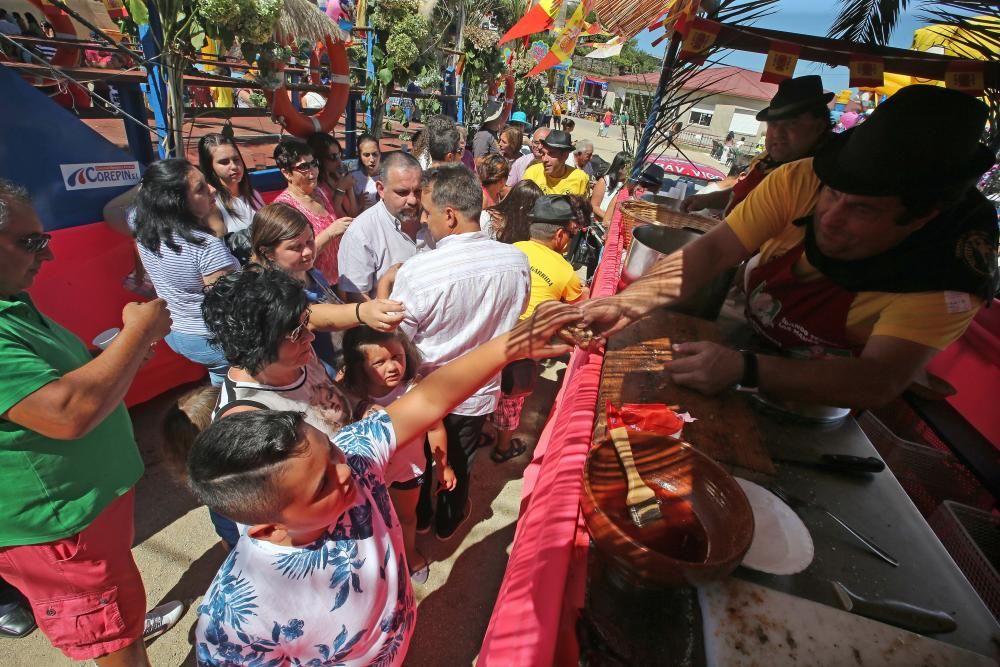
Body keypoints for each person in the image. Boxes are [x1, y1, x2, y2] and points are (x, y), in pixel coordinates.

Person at [187, 298, 580, 665]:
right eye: (323, 484)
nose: (347, 471)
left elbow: (428, 400)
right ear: (270, 527)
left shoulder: (352, 460)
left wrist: (514, 344)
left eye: (333, 451)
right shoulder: (234, 622)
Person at [581, 85, 999, 410]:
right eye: (832, 194)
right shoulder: (800, 178)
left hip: (820, 399)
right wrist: (627, 304)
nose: (832, 217)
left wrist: (745, 368)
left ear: (923, 216)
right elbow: (714, 250)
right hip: (748, 332)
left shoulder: (948, 278)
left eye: (862, 211)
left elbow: (878, 378)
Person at [0, 180, 184, 665]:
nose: (47, 255)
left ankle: (129, 631)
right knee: (110, 641)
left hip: (86, 513)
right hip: (57, 530)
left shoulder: (12, 300)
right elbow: (66, 412)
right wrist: (137, 332)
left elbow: (60, 379)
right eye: (31, 241)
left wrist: (114, 358)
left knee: (118, 613)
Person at [196, 266, 403, 547]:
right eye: (296, 332)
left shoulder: (295, 354)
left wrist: (360, 405)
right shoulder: (246, 416)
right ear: (258, 345)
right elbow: (273, 528)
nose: (310, 336)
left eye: (304, 323)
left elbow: (324, 395)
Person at [390, 164, 531, 540]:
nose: (423, 219)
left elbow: (398, 341)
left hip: (427, 395)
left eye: (427, 212)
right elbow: (516, 314)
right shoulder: (516, 262)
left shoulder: (419, 271)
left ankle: (420, 516)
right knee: (461, 460)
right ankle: (448, 519)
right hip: (478, 394)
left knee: (419, 462)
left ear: (449, 215)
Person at [342, 327, 454, 582]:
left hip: (408, 470)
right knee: (374, 520)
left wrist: (444, 466)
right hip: (369, 475)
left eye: (398, 357)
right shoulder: (347, 394)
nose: (393, 366)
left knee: (406, 516)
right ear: (359, 366)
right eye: (379, 362)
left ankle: (409, 553)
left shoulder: (415, 390)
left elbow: (435, 427)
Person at [490, 195, 589, 462]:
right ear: (559, 234)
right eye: (569, 233)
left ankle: (479, 433)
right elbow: (580, 309)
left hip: (490, 338)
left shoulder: (510, 248)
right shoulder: (565, 271)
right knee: (510, 400)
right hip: (523, 348)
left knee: (483, 388)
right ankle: (502, 449)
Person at [124, 159, 239, 385]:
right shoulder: (205, 247)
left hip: (173, 332)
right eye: (200, 189)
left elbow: (112, 210)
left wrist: (149, 183)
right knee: (232, 389)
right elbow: (226, 308)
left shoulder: (139, 221)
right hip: (209, 339)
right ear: (175, 202)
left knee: (220, 385)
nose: (213, 189)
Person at [683, 75, 834, 215]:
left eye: (791, 123)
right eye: (773, 124)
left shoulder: (821, 175)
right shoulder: (766, 159)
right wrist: (705, 200)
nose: (777, 133)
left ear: (819, 127)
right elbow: (739, 193)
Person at [337, 151, 434, 301]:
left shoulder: (436, 219)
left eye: (418, 191)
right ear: (381, 190)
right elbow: (358, 300)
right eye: (402, 192)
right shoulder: (360, 234)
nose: (413, 200)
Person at [273, 138, 352, 285]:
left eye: (314, 164)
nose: (312, 172)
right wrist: (330, 233)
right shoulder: (284, 208)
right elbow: (295, 256)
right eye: (304, 167)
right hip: (315, 288)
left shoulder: (321, 191)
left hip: (340, 279)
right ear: (287, 173)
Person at [197, 133, 263, 262]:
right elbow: (222, 253)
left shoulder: (253, 194)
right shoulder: (212, 205)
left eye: (236, 159)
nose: (233, 166)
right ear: (211, 167)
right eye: (224, 162)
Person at [522, 130, 589, 196]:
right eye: (543, 153)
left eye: (551, 153)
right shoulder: (532, 173)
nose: (544, 159)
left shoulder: (580, 179)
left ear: (565, 156)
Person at [307, 133, 359, 219]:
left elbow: (354, 213)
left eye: (339, 155)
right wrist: (341, 188)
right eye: (333, 157)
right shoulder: (316, 188)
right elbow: (339, 219)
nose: (339, 161)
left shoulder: (338, 176)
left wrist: (349, 188)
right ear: (319, 159)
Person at [591, 151, 629, 222]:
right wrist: (609, 218)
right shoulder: (605, 181)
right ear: (621, 167)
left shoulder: (628, 184)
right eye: (629, 168)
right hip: (601, 222)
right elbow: (594, 206)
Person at [352, 133, 382, 212]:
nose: (372, 159)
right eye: (366, 155)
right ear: (359, 156)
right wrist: (358, 203)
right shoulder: (353, 179)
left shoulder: (389, 175)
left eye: (375, 154)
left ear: (380, 153)